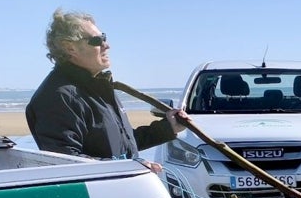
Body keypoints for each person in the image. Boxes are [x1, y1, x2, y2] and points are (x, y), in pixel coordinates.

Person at [26, 9, 188, 171]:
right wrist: (127, 168)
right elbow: (65, 160)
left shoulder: (96, 87)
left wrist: (168, 128)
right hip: (97, 194)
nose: (106, 45)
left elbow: (122, 145)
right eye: (97, 40)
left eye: (104, 38)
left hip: (121, 189)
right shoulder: (59, 97)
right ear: (70, 48)